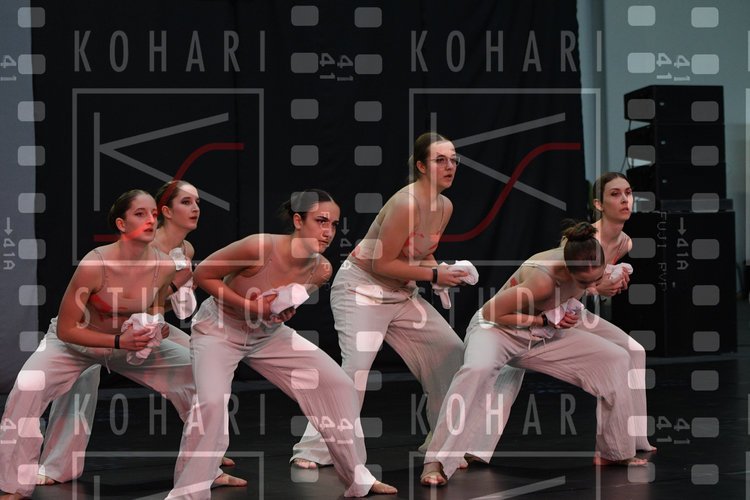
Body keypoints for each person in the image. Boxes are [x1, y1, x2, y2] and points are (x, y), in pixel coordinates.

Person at [168, 189, 397, 498]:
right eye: (320, 221)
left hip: (267, 334)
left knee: (339, 385)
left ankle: (358, 478)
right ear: (298, 221)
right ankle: (189, 492)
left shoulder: (321, 269)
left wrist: (281, 311)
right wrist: (250, 306)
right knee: (210, 402)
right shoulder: (260, 246)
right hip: (218, 329)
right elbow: (204, 274)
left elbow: (282, 303)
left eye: (333, 224)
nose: (328, 232)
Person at [34, 181, 241, 486]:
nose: (196, 209)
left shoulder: (186, 250)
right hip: (100, 327)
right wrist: (171, 290)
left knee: (203, 370)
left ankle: (207, 457)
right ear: (166, 211)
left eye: (197, 202)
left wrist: (164, 312)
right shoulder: (147, 244)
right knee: (80, 380)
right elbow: (124, 299)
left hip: (143, 326)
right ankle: (56, 466)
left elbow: (158, 306)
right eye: (186, 202)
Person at [0, 189, 199, 498]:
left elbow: (152, 307)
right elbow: (67, 329)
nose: (150, 220)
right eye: (140, 214)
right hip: (74, 346)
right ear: (121, 224)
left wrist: (152, 326)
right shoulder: (96, 263)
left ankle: (201, 473)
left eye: (153, 214)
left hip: (126, 344)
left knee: (199, 378)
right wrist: (119, 340)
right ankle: (12, 485)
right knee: (26, 389)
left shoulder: (163, 265)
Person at [421, 222, 652, 487]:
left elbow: (586, 279)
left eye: (597, 279)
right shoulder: (543, 280)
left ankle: (615, 452)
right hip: (497, 330)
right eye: (585, 282)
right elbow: (491, 312)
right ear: (568, 270)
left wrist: (597, 287)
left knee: (616, 358)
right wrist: (544, 320)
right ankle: (436, 462)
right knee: (477, 370)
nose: (592, 285)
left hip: (541, 333)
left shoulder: (584, 254)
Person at [291, 132, 468, 469]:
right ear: (421, 166)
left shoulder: (445, 206)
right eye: (440, 160)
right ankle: (314, 450)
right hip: (362, 288)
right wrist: (433, 276)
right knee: (356, 369)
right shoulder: (406, 203)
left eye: (453, 160)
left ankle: (444, 444)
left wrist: (442, 271)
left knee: (451, 354)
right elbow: (380, 263)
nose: (450, 166)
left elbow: (422, 251)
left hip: (401, 293)